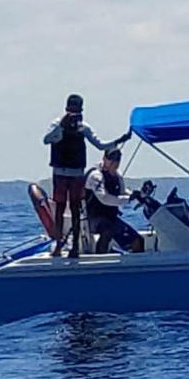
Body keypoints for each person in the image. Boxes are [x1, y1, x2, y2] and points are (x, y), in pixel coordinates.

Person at [43, 94, 131, 257]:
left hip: (77, 173)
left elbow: (99, 144)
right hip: (60, 172)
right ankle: (58, 245)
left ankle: (75, 246)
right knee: (60, 208)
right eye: (72, 110)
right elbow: (46, 140)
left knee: (76, 209)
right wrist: (61, 127)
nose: (74, 114)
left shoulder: (83, 127)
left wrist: (120, 139)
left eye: (77, 110)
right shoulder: (56, 124)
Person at [84, 149, 145, 254]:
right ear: (104, 159)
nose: (114, 162)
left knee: (138, 240)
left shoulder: (118, 175)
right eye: (110, 158)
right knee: (108, 229)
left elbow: (122, 192)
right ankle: (99, 260)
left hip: (111, 217)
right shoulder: (96, 176)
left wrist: (136, 195)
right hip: (92, 219)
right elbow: (104, 198)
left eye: (117, 159)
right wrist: (127, 199)